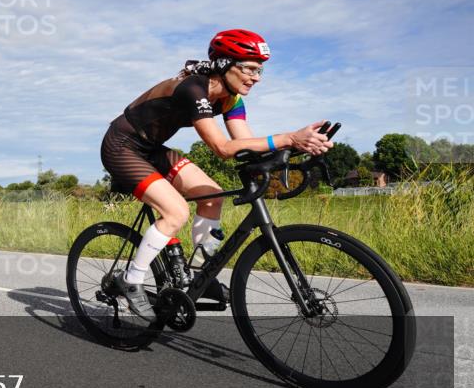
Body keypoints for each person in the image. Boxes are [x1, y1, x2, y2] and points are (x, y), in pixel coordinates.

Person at [100, 29, 333, 318]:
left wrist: (299, 148)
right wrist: (287, 138)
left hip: (151, 148)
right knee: (175, 213)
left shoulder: (231, 99)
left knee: (211, 196)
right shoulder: (193, 89)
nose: (256, 77)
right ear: (224, 64)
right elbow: (223, 148)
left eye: (260, 70)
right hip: (121, 146)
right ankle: (131, 280)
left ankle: (199, 274)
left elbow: (245, 144)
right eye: (249, 68)